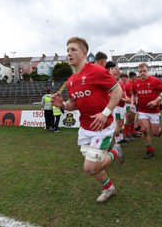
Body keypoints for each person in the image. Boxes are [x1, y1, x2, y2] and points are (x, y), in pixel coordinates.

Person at [52, 36, 124, 204]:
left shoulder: (96, 71)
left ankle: (115, 151)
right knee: (94, 167)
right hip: (85, 128)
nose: (69, 53)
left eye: (73, 49)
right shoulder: (71, 81)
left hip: (102, 126)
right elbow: (74, 104)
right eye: (67, 50)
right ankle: (109, 188)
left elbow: (117, 91)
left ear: (84, 53)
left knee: (90, 167)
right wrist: (62, 104)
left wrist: (105, 113)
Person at [131, 62, 162, 159]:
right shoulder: (136, 83)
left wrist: (156, 101)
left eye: (144, 71)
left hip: (154, 111)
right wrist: (132, 103)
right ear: (138, 72)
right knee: (144, 129)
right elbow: (133, 95)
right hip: (142, 110)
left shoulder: (155, 81)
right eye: (140, 71)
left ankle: (158, 130)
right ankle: (149, 150)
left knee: (155, 133)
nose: (142, 73)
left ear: (148, 71)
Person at [105, 62, 130, 146]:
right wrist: (126, 100)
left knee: (121, 123)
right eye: (117, 70)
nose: (118, 72)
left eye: (119, 70)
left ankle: (120, 138)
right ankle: (117, 141)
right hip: (117, 107)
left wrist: (126, 99)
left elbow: (122, 95)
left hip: (121, 107)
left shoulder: (119, 84)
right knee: (118, 123)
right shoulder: (115, 83)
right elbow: (111, 95)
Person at [124, 72, 137, 140]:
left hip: (133, 104)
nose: (136, 78)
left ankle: (133, 132)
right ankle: (126, 134)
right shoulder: (128, 84)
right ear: (132, 77)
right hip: (129, 104)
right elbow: (132, 94)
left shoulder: (132, 83)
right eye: (135, 76)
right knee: (128, 119)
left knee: (132, 119)